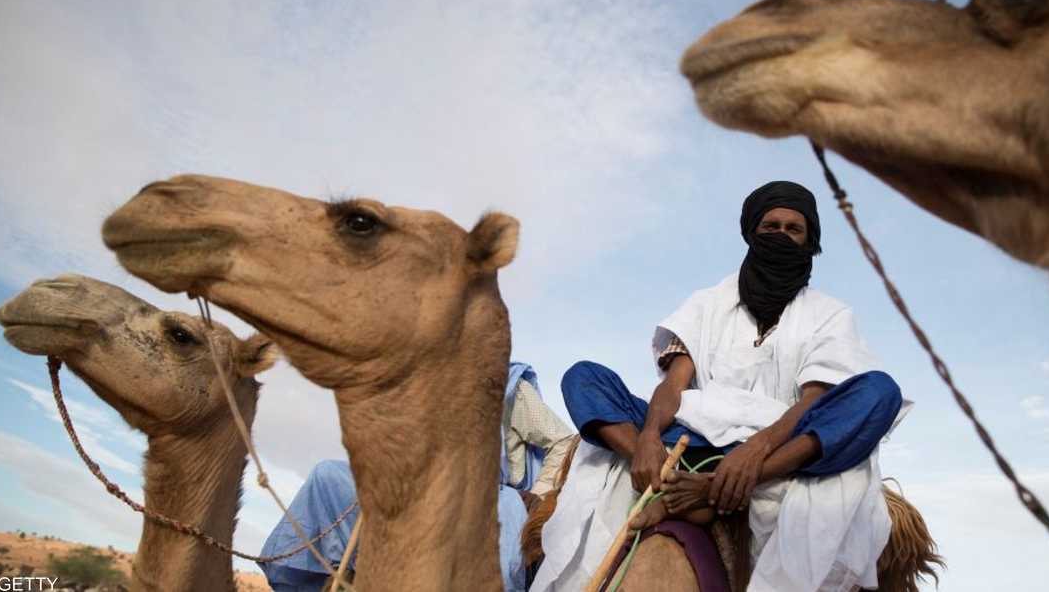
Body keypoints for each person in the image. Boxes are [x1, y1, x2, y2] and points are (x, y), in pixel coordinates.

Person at [532, 181, 906, 592]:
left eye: (793, 230)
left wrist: (755, 451)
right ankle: (667, 483)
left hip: (778, 443)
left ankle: (711, 491)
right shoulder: (708, 303)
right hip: (689, 432)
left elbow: (814, 399)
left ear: (809, 241)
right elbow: (675, 384)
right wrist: (649, 437)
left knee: (879, 392)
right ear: (752, 233)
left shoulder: (830, 315)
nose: (781, 235)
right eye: (771, 227)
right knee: (584, 377)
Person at [259, 361, 576, 592]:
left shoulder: (508, 387)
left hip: (491, 497)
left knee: (501, 531)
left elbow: (563, 441)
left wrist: (538, 494)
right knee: (327, 475)